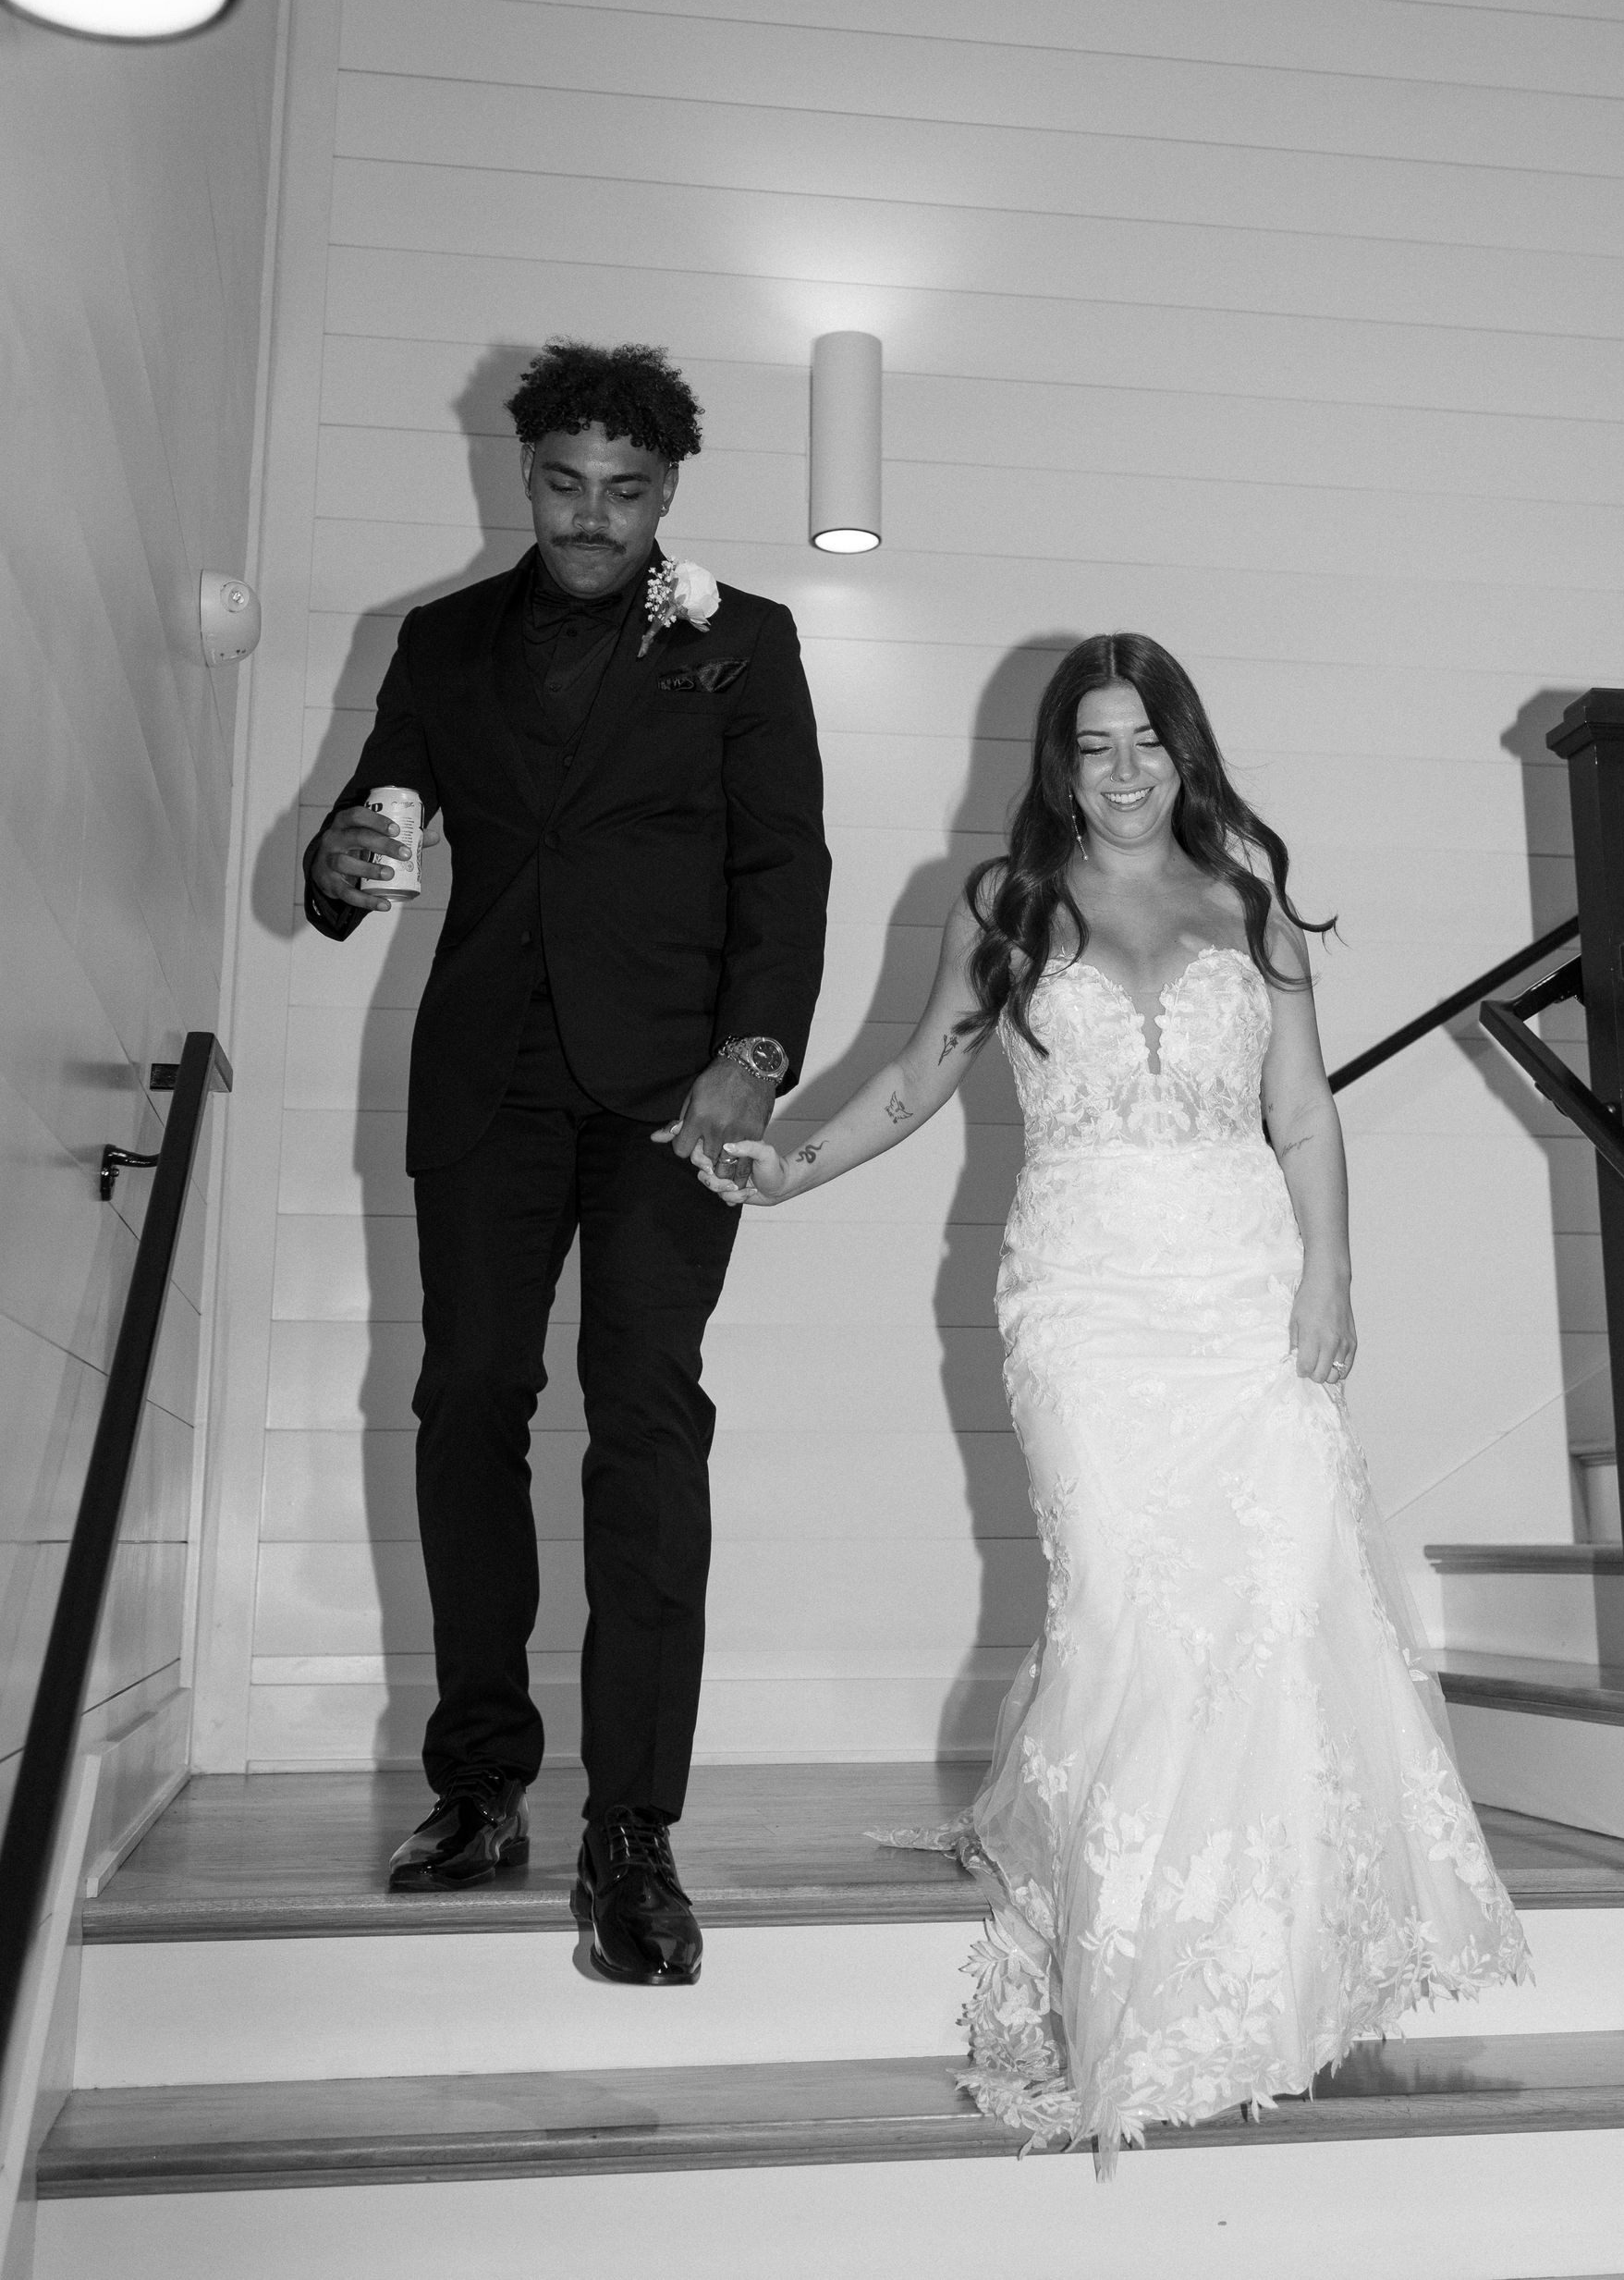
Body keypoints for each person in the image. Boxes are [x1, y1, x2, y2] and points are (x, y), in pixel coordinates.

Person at [699, 632, 1526, 2160]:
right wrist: (788, 1168)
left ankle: (1263, 1982)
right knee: (1130, 1608)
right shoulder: (1010, 905)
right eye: (1096, 744)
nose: (1127, 767)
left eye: (1150, 739)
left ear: (1186, 751)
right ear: (1059, 765)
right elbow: (912, 1078)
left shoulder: (1247, 903)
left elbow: (1303, 1109)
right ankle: (1132, 1982)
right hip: (1082, 1295)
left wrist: (1331, 1274)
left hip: (1241, 1288)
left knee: (1275, 1602)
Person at [304, 340, 828, 1985]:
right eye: (563, 486)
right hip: (488, 1082)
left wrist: (752, 1060)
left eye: (627, 495)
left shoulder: (742, 642)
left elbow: (786, 866)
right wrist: (334, 858)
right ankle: (478, 1786)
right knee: (466, 1394)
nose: (592, 521)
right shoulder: (441, 642)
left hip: (679, 1086)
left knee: (647, 1413)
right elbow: (364, 848)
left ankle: (634, 1829)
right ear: (519, 474)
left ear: (669, 494)